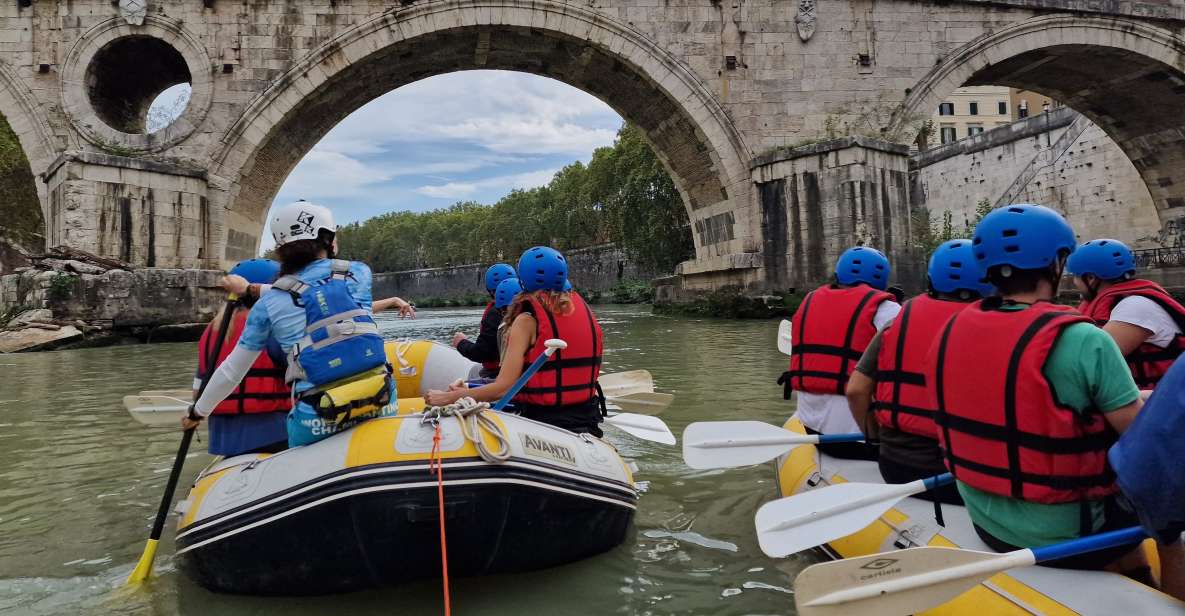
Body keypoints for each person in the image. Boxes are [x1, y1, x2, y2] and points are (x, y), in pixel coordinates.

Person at [926, 204, 1147, 576]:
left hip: (986, 521)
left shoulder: (950, 329)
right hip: (1067, 534)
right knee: (1168, 518)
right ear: (1058, 262)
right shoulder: (1085, 339)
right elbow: (1143, 439)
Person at [183, 200, 396, 447]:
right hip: (382, 399)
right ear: (329, 240)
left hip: (316, 418)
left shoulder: (267, 305)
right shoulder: (359, 273)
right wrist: (252, 289)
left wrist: (197, 412)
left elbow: (232, 372)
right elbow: (320, 292)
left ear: (281, 248)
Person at [845, 240, 992, 504]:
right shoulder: (1000, 331)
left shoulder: (896, 322)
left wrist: (874, 440)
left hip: (895, 467)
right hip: (963, 477)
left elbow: (856, 390)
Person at [425, 247, 604, 436]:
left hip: (547, 422)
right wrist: (470, 387)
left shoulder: (526, 320)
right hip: (588, 417)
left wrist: (450, 397)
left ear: (523, 280)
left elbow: (503, 387)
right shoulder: (583, 310)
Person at [778, 246, 901, 460]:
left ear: (838, 275)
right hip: (862, 441)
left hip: (811, 430)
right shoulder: (888, 310)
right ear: (882, 280)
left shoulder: (809, 301)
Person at [195, 258, 291, 457]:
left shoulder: (212, 331)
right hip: (275, 433)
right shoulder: (271, 328)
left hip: (224, 440)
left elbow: (198, 391)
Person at [1108, 356, 1185, 600]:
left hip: (1132, 464)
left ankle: (1145, 581)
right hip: (1157, 474)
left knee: (1165, 539)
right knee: (1170, 543)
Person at [1067, 238, 1185, 389]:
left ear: (1090, 278)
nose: (1074, 283)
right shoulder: (1120, 302)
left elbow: (1091, 361)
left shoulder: (1135, 307)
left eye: (1076, 277)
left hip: (1162, 404)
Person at [453, 263, 517, 378]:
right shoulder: (527, 308)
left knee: (467, 380)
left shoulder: (494, 313)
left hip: (497, 374)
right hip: (517, 371)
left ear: (490, 290)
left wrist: (461, 343)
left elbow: (482, 353)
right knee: (475, 370)